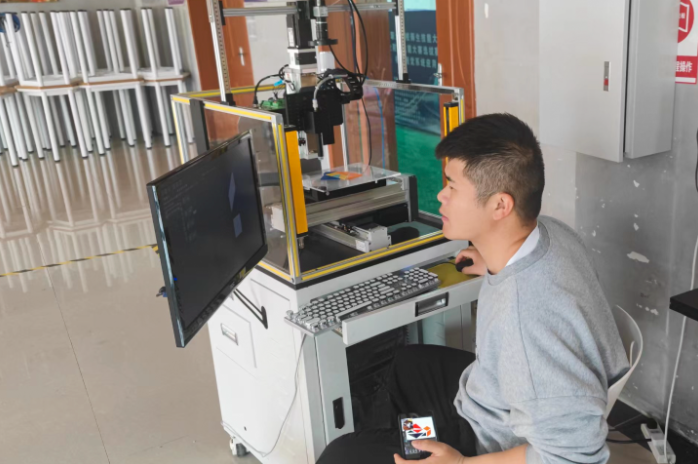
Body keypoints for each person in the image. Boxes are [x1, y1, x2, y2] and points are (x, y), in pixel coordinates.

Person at [317, 113, 630, 464]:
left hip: (492, 442)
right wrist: (489, 259)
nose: (441, 194)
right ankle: (408, 446)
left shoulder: (525, 321)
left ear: (500, 205)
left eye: (453, 186)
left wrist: (461, 463)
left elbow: (575, 457)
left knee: (339, 455)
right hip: (498, 394)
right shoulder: (551, 233)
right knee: (407, 363)